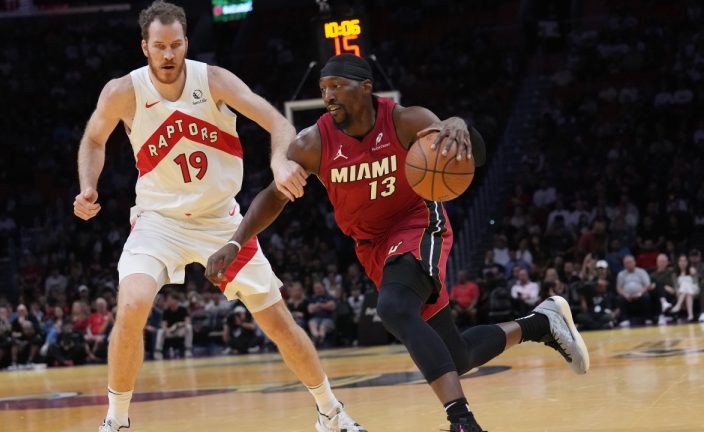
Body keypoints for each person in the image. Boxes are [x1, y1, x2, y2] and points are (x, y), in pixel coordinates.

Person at [205, 54, 590, 432]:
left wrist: (456, 124)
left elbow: (468, 148)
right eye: (324, 89)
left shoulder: (406, 120)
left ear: (367, 88)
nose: (329, 96)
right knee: (456, 355)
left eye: (337, 86)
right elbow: (273, 197)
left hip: (418, 223)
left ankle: (462, 421)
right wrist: (235, 244)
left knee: (392, 307)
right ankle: (541, 323)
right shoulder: (313, 143)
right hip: (372, 246)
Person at [72, 2, 364, 431]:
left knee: (278, 323)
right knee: (132, 305)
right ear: (144, 47)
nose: (168, 54)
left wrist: (281, 163)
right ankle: (116, 421)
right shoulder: (122, 91)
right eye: (159, 46)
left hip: (221, 223)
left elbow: (275, 122)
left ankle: (330, 413)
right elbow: (93, 139)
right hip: (159, 221)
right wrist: (88, 185)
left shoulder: (214, 81)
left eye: (175, 44)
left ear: (186, 43)